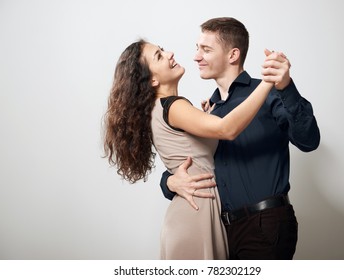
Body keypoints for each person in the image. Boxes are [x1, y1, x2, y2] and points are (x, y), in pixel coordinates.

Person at [160, 17, 320, 259]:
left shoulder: (267, 93)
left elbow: (309, 141)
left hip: (265, 224)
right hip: (221, 230)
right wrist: (169, 182)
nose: (196, 57)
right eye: (197, 48)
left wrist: (285, 86)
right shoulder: (209, 111)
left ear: (233, 55)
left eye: (206, 49)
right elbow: (191, 160)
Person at [103, 38, 277, 259]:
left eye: (163, 50)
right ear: (152, 80)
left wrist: (206, 116)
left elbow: (190, 152)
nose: (170, 54)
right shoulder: (173, 106)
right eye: (159, 56)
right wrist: (267, 83)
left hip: (199, 209)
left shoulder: (163, 108)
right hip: (195, 213)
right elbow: (227, 129)